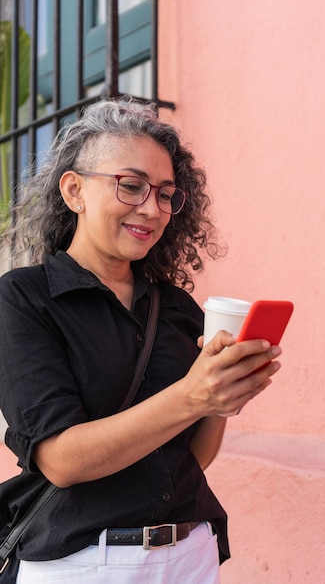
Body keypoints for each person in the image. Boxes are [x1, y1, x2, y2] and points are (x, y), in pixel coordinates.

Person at [0, 98, 282, 584]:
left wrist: (222, 396)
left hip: (190, 552)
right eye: (131, 186)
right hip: (83, 563)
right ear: (74, 191)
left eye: (166, 194)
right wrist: (193, 394)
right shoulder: (24, 298)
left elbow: (191, 457)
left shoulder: (175, 307)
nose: (152, 209)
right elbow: (62, 461)